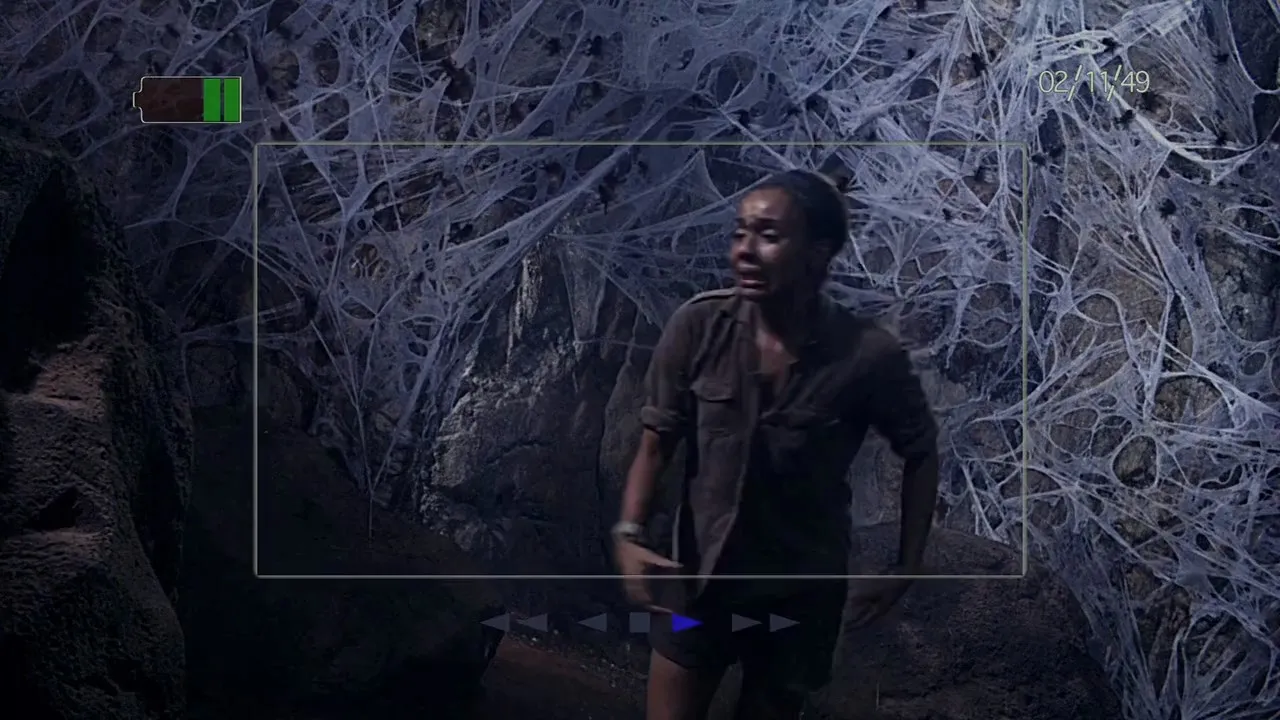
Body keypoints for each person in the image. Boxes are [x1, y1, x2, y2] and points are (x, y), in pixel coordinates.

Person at [612, 169, 941, 720]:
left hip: (800, 595)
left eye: (768, 235)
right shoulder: (699, 326)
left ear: (817, 253)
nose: (745, 249)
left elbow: (921, 451)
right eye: (739, 232)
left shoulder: (867, 356)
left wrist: (906, 567)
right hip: (701, 580)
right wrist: (629, 531)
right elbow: (656, 440)